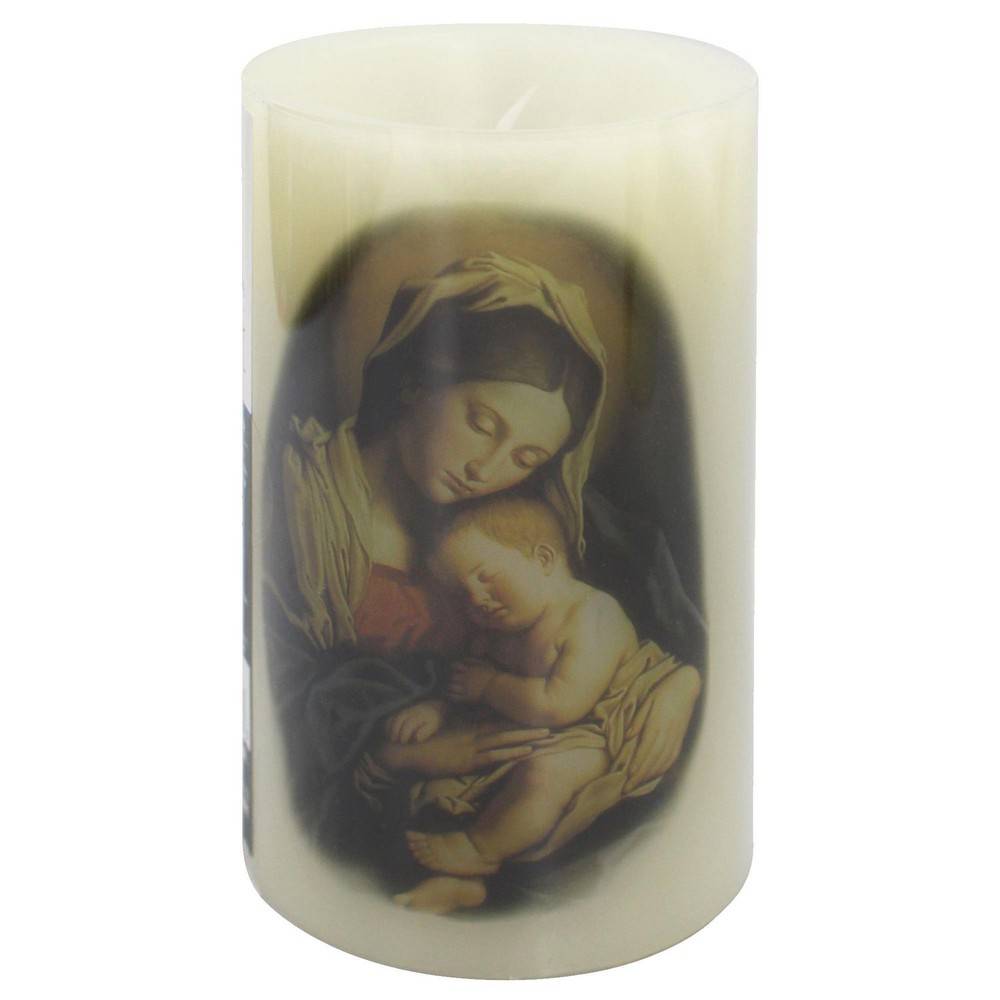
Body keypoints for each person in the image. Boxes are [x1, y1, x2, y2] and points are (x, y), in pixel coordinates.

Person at [264, 251, 703, 915]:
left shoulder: (536, 524)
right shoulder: (301, 502)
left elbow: (666, 636)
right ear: (418, 381)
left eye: (527, 456)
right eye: (482, 423)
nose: (487, 469)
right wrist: (399, 754)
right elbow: (283, 698)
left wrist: (679, 685)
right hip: (365, 821)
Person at [389, 496, 700, 878]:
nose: (476, 599)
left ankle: (481, 849)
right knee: (449, 780)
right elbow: (465, 682)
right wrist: (436, 710)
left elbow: (560, 705)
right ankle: (461, 879)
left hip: (612, 731)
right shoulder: (498, 630)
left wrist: (490, 686)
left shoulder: (592, 614)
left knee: (545, 775)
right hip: (551, 729)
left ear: (543, 559)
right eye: (460, 593)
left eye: (485, 577)